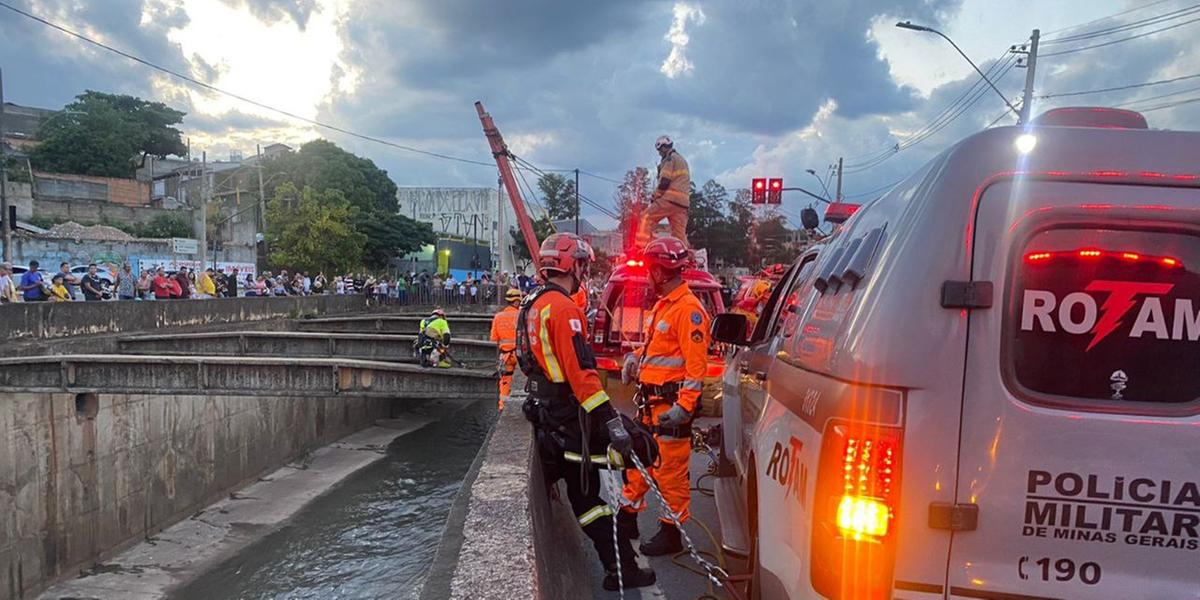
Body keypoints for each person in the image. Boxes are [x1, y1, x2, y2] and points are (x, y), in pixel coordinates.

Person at [516, 233, 657, 591]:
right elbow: (582, 375)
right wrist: (611, 421)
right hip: (568, 416)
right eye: (581, 264)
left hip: (546, 414)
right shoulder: (564, 309)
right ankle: (621, 568)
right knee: (640, 449)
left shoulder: (531, 303)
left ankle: (619, 566)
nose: (583, 271)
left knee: (585, 497)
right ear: (570, 264)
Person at [620, 235, 711, 556]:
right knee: (639, 459)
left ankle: (672, 532)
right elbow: (657, 350)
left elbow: (696, 367)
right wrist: (635, 360)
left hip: (671, 408)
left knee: (669, 472)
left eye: (649, 270)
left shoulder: (689, 311)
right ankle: (627, 515)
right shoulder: (665, 306)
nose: (647, 276)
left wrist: (684, 408)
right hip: (651, 403)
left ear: (659, 271)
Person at [635, 136, 691, 249]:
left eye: (660, 150)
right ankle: (685, 257)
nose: (659, 153)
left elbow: (665, 181)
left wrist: (656, 196)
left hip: (670, 199)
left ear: (664, 148)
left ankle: (639, 249)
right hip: (682, 204)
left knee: (646, 218)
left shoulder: (669, 159)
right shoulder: (682, 160)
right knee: (679, 235)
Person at [489, 288, 522, 410]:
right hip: (520, 355)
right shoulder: (521, 315)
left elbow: (494, 338)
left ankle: (502, 405)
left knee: (505, 380)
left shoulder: (498, 317)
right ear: (517, 301)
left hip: (505, 356)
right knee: (522, 380)